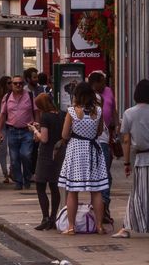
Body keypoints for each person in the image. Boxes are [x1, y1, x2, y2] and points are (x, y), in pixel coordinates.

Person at [59, 81, 111, 235]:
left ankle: (71, 226)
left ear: (77, 95)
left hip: (76, 150)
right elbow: (100, 131)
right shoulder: (99, 111)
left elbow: (64, 134)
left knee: (72, 191)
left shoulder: (72, 112)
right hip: (93, 150)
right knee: (96, 191)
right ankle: (100, 226)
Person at [116, 78, 149, 238]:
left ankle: (127, 227)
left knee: (138, 194)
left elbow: (126, 140)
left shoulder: (129, 113)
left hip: (141, 160)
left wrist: (126, 162)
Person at [31, 92, 66, 231]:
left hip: (46, 155)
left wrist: (35, 130)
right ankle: (53, 218)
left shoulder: (45, 116)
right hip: (58, 154)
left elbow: (44, 138)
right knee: (54, 186)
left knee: (40, 186)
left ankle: (45, 218)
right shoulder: (62, 114)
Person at [0, 74, 36, 190]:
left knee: (26, 155)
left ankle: (27, 177)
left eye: (20, 83)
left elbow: (36, 111)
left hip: (27, 131)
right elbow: (2, 115)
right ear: (12, 85)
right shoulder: (7, 97)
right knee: (14, 158)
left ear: (23, 84)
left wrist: (37, 127)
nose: (18, 85)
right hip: (12, 131)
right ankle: (19, 182)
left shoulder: (29, 95)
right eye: (15, 83)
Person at [90, 71, 119, 222]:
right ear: (95, 82)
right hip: (95, 141)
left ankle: (104, 206)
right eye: (102, 82)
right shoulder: (88, 96)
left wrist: (116, 126)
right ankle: (99, 207)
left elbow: (113, 109)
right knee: (101, 175)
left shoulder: (108, 91)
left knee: (106, 174)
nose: (104, 85)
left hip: (107, 137)